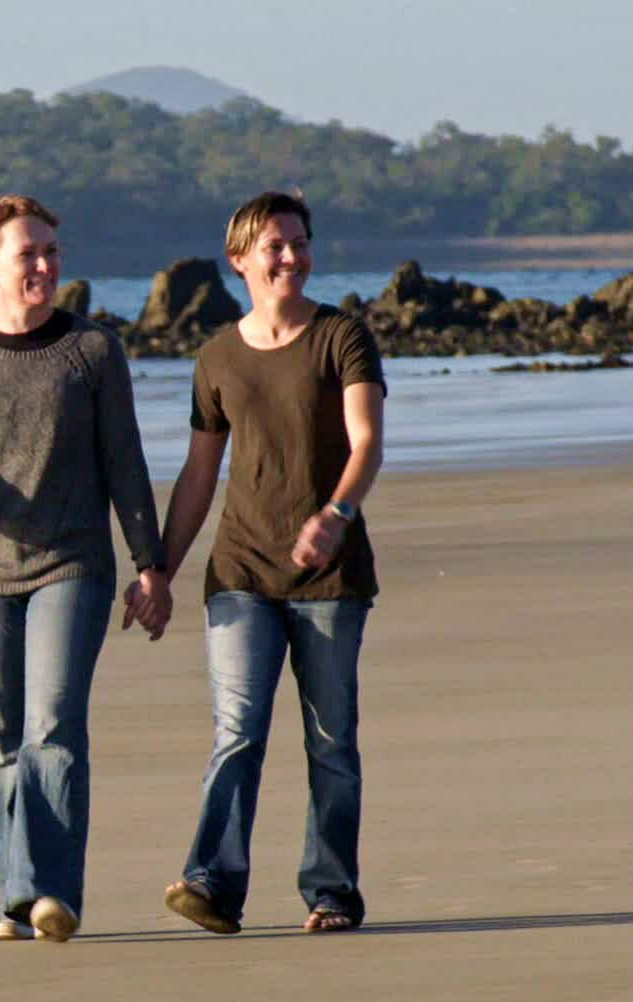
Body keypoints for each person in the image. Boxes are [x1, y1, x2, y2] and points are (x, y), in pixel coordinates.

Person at [0, 194, 170, 943]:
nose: (45, 265)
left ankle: (49, 894)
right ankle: (19, 898)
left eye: (52, 251)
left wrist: (150, 565)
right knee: (3, 735)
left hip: (72, 564)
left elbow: (125, 462)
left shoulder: (92, 352)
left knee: (53, 726)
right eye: (29, 254)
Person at [148, 191, 386, 935]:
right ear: (240, 259)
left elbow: (367, 442)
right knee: (238, 730)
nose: (291, 255)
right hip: (241, 572)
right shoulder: (217, 356)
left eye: (300, 242)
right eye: (275, 245)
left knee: (330, 740)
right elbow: (197, 476)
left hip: (329, 578)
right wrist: (159, 569)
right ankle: (214, 884)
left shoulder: (341, 336)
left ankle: (331, 892)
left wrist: (335, 515)